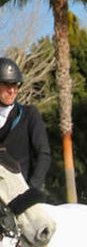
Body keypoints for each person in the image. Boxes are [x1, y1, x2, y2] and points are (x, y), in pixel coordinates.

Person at [0, 56, 50, 190]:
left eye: (15, 85)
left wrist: (32, 188)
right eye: (6, 84)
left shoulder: (29, 115)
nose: (12, 90)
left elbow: (43, 154)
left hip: (23, 191)